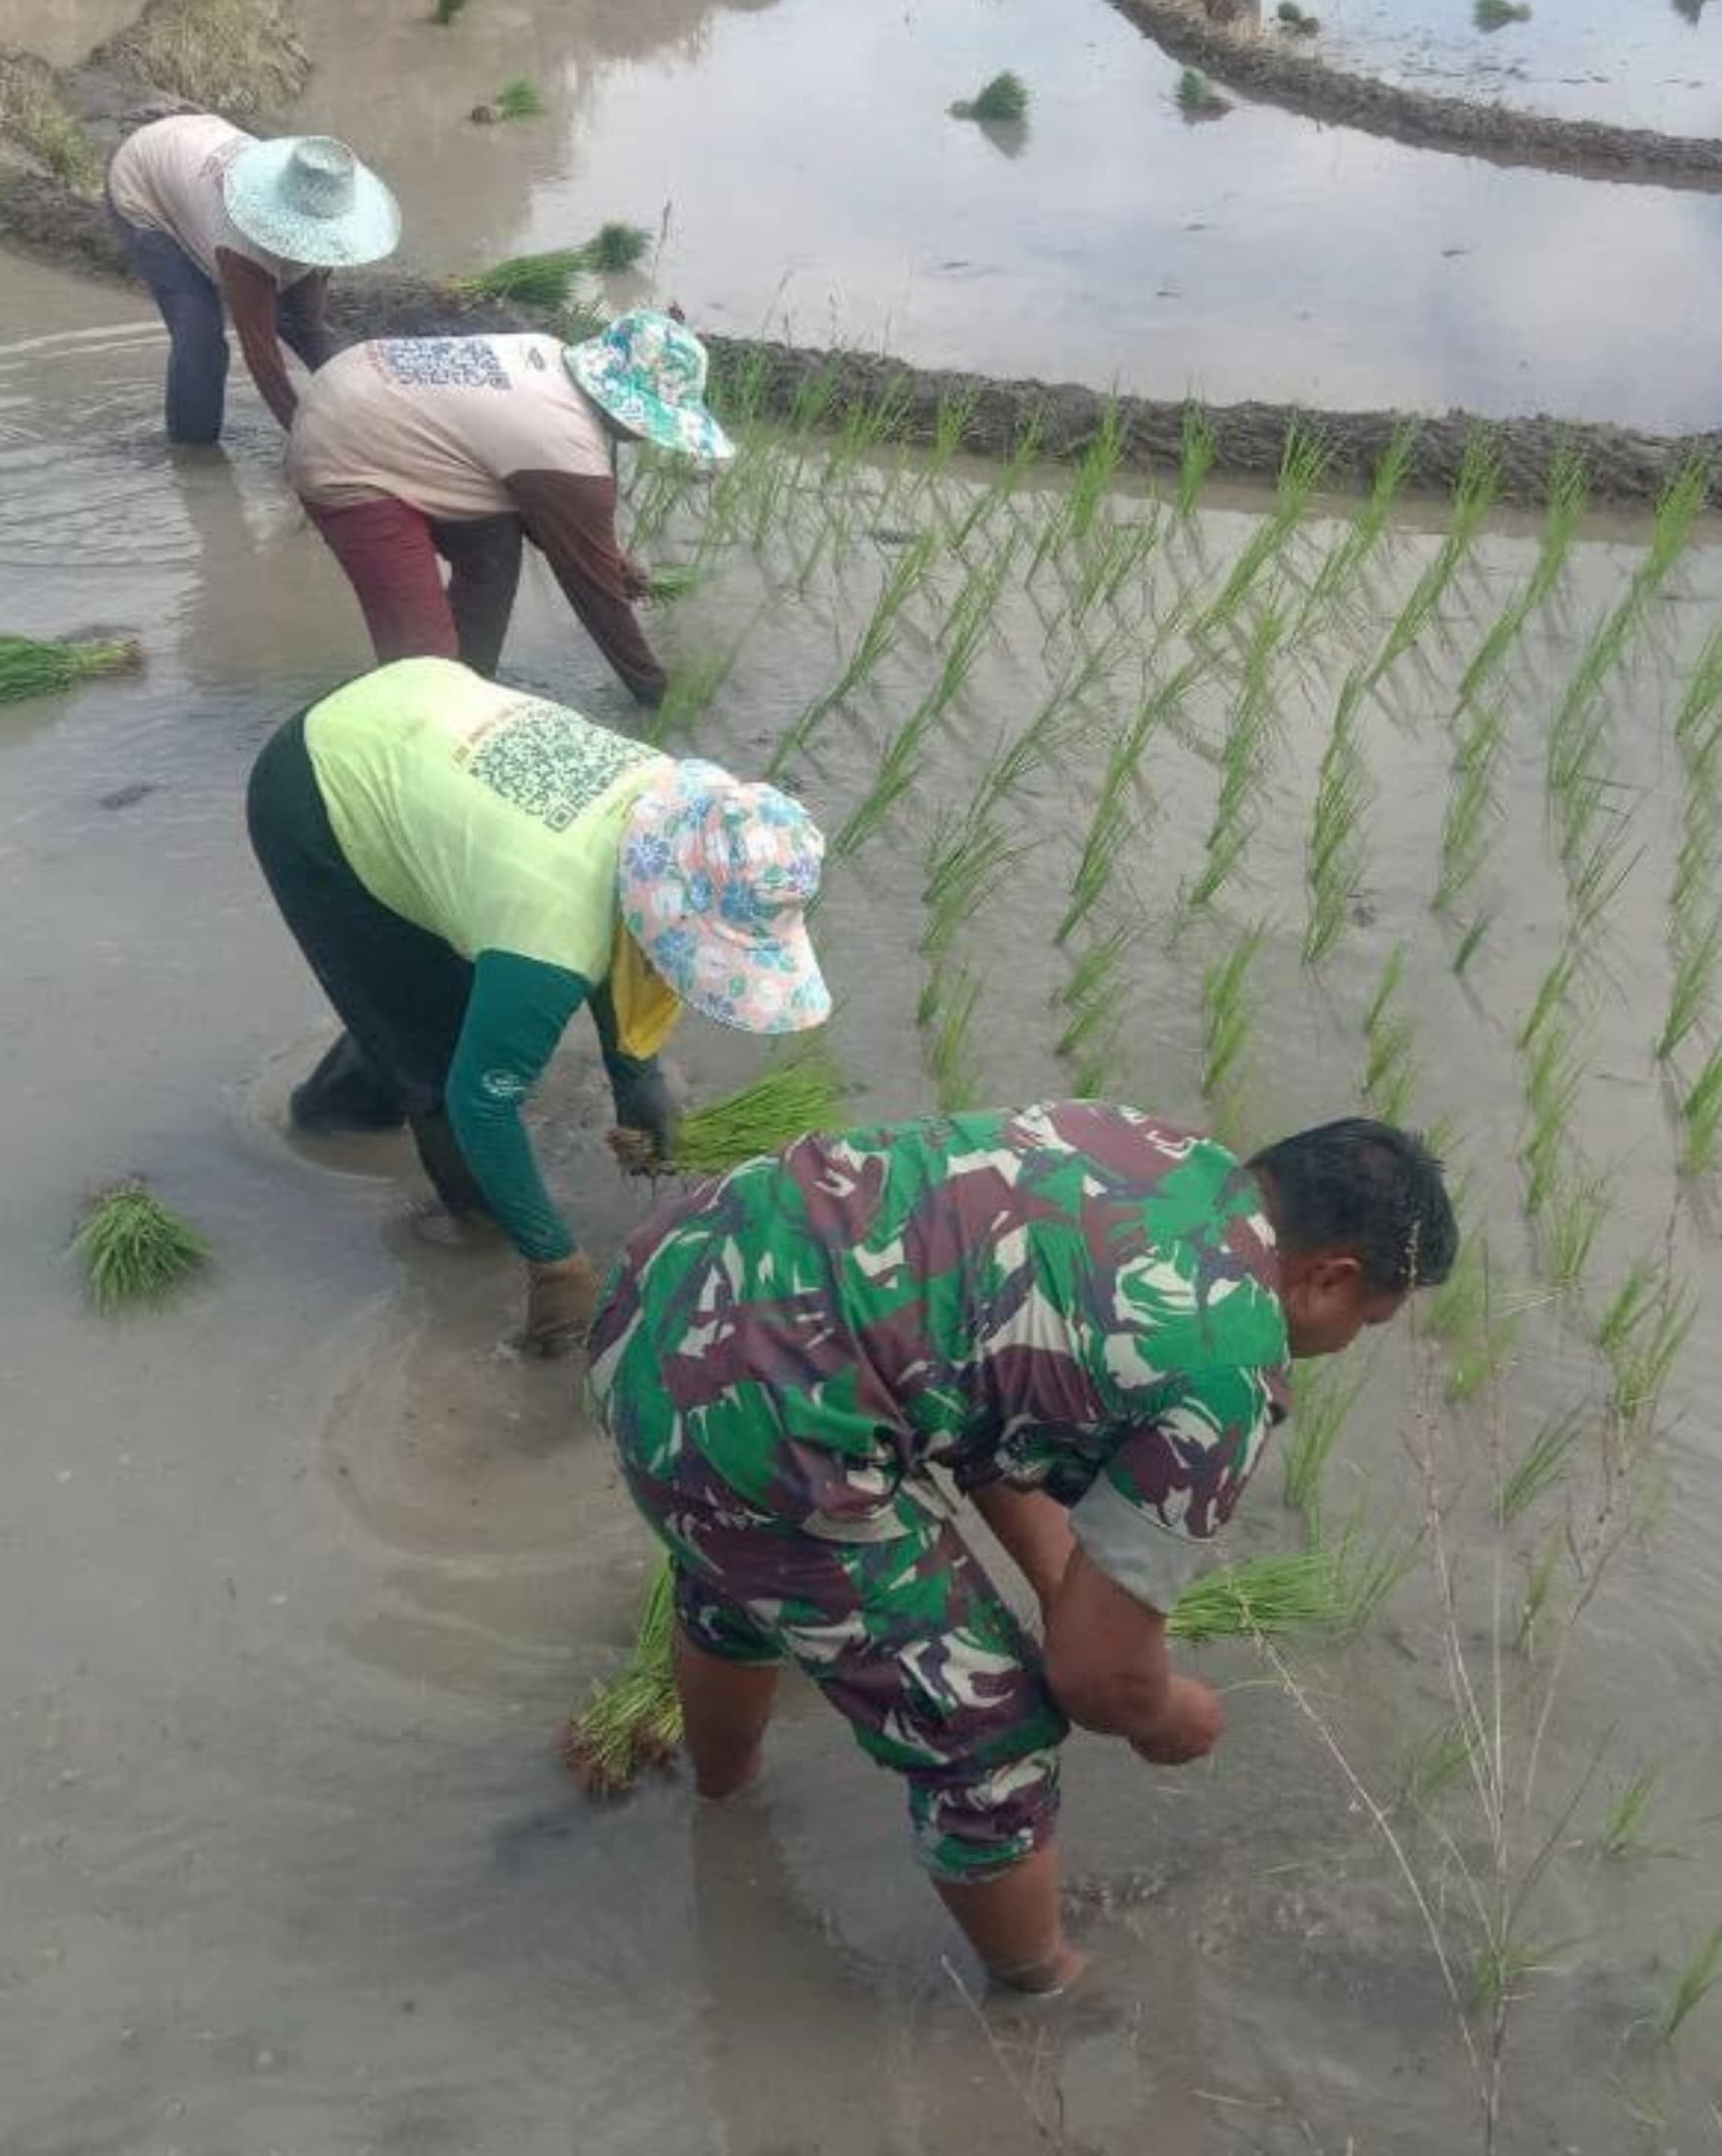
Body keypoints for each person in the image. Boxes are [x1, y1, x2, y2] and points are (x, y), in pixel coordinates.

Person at [587, 1106, 1458, 1993]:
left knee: (740, 1579)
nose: (1350, 1341)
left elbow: (991, 1400)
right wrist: (1165, 1713)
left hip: (665, 1291)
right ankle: (1042, 1993)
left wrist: (1056, 1585)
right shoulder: (1228, 1365)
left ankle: (722, 1800)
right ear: (1328, 1280)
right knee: (992, 1729)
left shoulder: (1144, 1145)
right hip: (758, 1419)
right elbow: (1094, 1679)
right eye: (1369, 1320)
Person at [244, 655, 828, 1352]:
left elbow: (626, 931)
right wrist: (553, 1259)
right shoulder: (552, 933)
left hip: (418, 710)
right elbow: (479, 1104)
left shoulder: (673, 807)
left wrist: (634, 1072)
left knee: (428, 1003)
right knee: (434, 1063)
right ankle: (416, 1181)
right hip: (318, 785)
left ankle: (346, 1102)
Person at [282, 309, 731, 707]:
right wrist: (655, 691)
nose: (652, 435)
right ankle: (426, 714)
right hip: (345, 444)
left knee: (494, 551)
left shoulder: (550, 355)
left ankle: (473, 687)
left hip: (360, 378)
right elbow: (593, 592)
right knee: (423, 664)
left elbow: (546, 516)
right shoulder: (567, 446)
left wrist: (611, 559)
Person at [105, 114, 398, 446]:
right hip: (146, 185)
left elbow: (309, 330)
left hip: (196, 147)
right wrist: (310, 444)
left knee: (306, 328)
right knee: (200, 331)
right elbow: (262, 356)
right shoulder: (244, 248)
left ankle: (367, 418)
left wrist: (372, 431)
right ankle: (194, 454)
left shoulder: (323, 210)